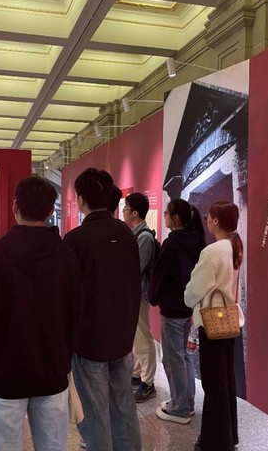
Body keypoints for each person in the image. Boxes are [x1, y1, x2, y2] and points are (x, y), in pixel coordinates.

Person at [0, 176, 82, 451]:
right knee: (53, 446)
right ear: (50, 211)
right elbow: (76, 314)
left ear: (15, 206)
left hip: (4, 372)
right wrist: (65, 357)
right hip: (52, 370)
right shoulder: (66, 256)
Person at [63, 167, 142, 451]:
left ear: (80, 199)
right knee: (124, 405)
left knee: (95, 413)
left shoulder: (75, 240)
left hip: (90, 340)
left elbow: (69, 296)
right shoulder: (127, 234)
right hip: (123, 336)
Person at [184, 201, 245, 451]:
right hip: (230, 322)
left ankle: (215, 442)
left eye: (208, 216)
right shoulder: (234, 246)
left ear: (216, 220)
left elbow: (193, 292)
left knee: (213, 385)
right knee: (226, 381)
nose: (206, 219)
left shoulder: (212, 252)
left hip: (212, 325)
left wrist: (188, 297)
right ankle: (228, 437)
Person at [148, 198, 205, 424]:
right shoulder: (197, 240)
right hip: (189, 308)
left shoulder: (172, 242)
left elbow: (160, 275)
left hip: (172, 308)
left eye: (166, 213)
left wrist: (152, 296)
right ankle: (186, 402)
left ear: (176, 218)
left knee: (173, 359)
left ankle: (179, 407)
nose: (164, 217)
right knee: (185, 356)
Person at [122, 192, 158, 403]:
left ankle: (149, 381)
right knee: (136, 336)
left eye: (126, 208)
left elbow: (136, 267)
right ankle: (137, 373)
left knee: (143, 337)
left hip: (139, 294)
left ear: (135, 213)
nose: (124, 211)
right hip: (133, 293)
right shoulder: (135, 234)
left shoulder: (143, 237)